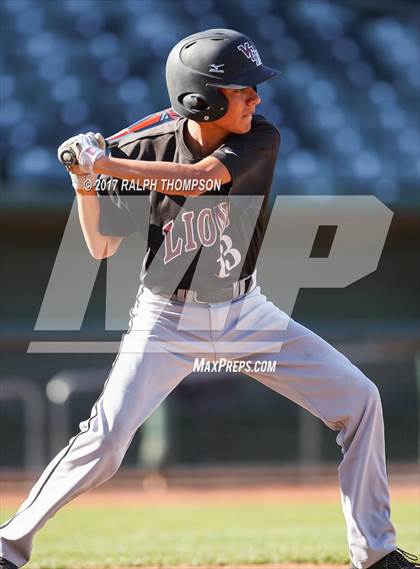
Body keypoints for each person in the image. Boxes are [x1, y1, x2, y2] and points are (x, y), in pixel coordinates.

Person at [0, 29, 418, 569]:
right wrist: (85, 181)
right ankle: (8, 545)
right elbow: (101, 245)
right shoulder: (142, 153)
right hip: (166, 317)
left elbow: (200, 179)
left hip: (247, 311)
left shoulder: (258, 138)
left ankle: (377, 553)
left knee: (360, 400)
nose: (256, 99)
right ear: (204, 100)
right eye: (243, 90)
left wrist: (104, 164)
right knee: (105, 441)